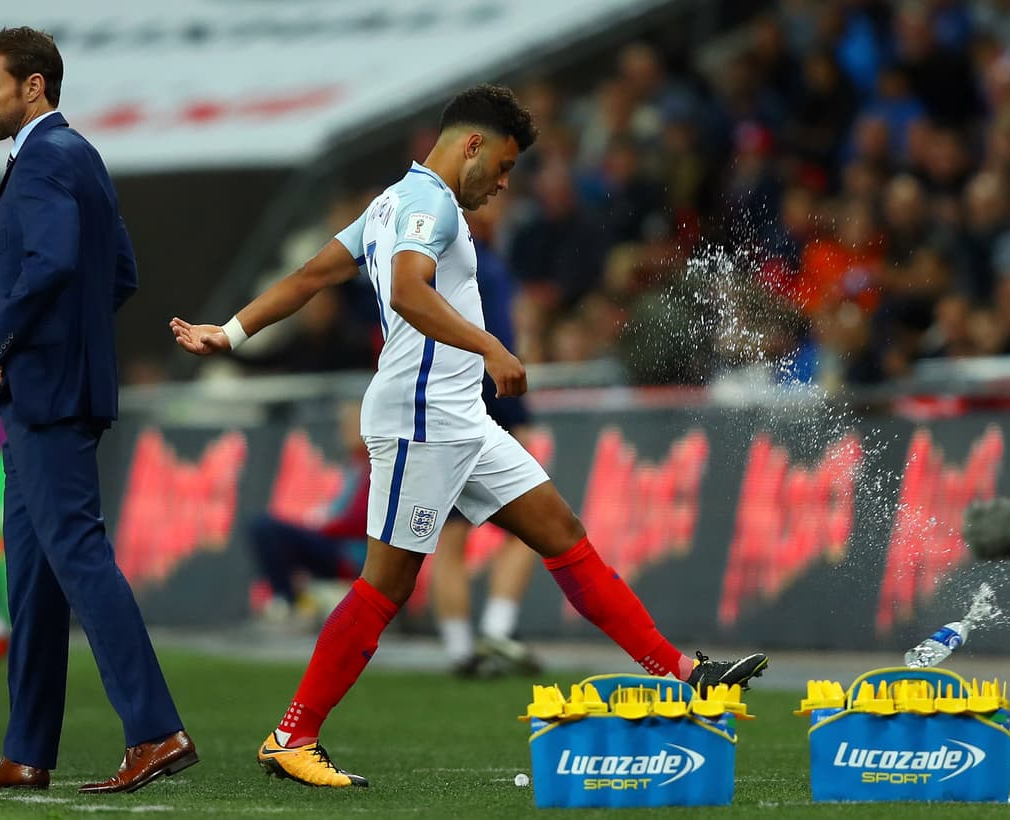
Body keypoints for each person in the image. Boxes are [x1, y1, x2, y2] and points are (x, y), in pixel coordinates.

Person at [171, 84, 768, 789]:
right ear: (473, 145)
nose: (505, 183)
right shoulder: (429, 205)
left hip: (461, 418)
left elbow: (309, 277)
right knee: (385, 586)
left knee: (561, 532)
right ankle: (292, 735)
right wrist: (490, 347)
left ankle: (684, 675)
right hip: (421, 419)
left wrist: (231, 331)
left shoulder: (391, 202)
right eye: (505, 166)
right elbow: (407, 290)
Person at [0, 27, 196, 793]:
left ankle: (155, 730)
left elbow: (54, 261)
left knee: (78, 554)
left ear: (33, 86)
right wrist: (73, 344)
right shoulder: (79, 155)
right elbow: (118, 273)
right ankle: (27, 749)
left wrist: (0, 341)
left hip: (45, 394)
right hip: (56, 389)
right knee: (34, 575)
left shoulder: (44, 158)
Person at [431, 196, 541, 677]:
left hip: (436, 413)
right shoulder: (484, 268)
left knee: (451, 537)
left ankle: (460, 650)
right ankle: (497, 629)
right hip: (483, 411)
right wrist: (518, 413)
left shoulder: (427, 266)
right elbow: (496, 344)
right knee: (534, 526)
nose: (499, 202)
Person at [251, 401, 369, 626]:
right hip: (335, 543)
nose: (345, 432)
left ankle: (287, 600)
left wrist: (323, 525)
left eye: (352, 425)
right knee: (264, 528)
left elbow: (360, 521)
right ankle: (286, 599)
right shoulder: (353, 466)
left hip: (350, 554)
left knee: (265, 528)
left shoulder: (374, 467)